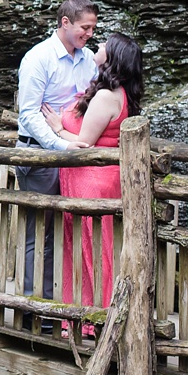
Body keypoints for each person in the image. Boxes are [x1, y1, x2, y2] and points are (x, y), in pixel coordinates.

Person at [43, 31, 144, 336]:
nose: (98, 46)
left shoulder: (105, 97)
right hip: (100, 178)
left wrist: (59, 129)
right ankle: (89, 316)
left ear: (112, 56)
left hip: (92, 178)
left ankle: (91, 319)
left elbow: (85, 143)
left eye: (104, 45)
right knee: (94, 247)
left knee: (91, 249)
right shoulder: (120, 93)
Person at [14, 0, 99, 320]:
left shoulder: (88, 58)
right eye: (84, 27)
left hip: (72, 153)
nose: (89, 34)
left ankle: (67, 309)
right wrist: (61, 145)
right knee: (43, 232)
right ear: (65, 23)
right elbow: (30, 114)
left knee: (71, 230)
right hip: (40, 153)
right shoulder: (39, 59)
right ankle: (36, 311)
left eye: (92, 28)